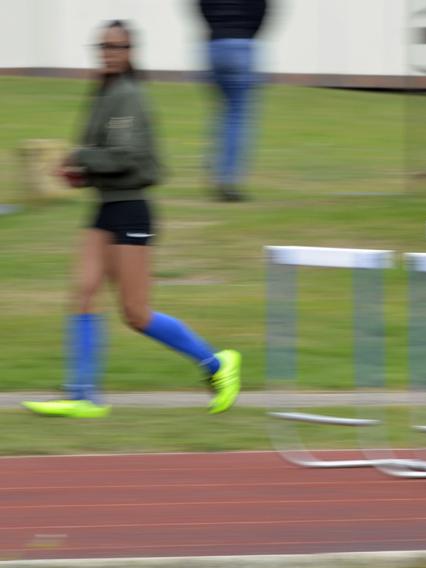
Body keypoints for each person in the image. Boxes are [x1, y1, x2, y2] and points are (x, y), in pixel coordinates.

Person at [22, 21, 241, 419]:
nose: (109, 52)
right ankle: (84, 395)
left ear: (130, 51)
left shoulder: (129, 96)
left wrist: (80, 160)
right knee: (83, 292)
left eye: (117, 46)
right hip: (106, 208)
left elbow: (125, 157)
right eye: (104, 45)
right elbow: (103, 156)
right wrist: (79, 173)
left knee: (136, 313)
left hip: (131, 210)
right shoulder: (104, 93)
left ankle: (216, 364)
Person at [198, 0, 268, 202]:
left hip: (216, 45)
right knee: (237, 115)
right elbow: (262, 7)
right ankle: (227, 178)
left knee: (222, 110)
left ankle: (214, 166)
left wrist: (216, 29)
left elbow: (202, 5)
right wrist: (248, 35)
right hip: (242, 43)